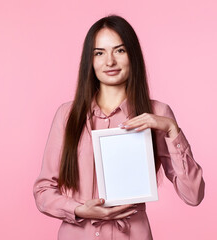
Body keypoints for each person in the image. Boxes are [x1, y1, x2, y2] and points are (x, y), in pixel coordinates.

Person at [33, 15, 205, 240]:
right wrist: (78, 209)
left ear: (132, 55)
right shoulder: (67, 115)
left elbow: (193, 195)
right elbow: (43, 191)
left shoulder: (158, 113)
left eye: (119, 51)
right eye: (99, 53)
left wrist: (172, 130)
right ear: (90, 60)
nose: (110, 62)